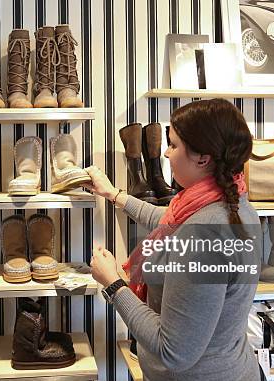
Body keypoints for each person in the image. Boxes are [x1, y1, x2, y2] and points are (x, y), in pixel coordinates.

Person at [83, 98, 263, 381]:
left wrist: (114, 284)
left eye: (174, 144)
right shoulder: (232, 204)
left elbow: (174, 351)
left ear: (203, 157)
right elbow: (169, 222)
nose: (166, 154)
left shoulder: (203, 237)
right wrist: (115, 195)